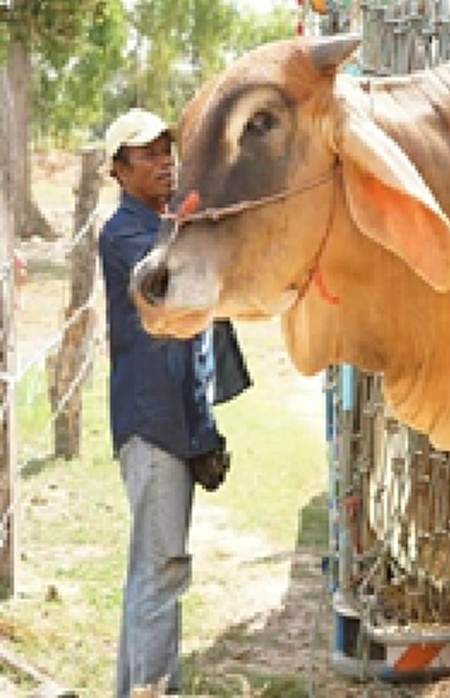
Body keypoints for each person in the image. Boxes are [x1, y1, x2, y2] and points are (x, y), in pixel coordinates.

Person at [98, 107, 240, 696]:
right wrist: (197, 220)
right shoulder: (127, 234)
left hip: (173, 421)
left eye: (166, 149)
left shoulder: (162, 225)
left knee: (148, 573)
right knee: (162, 573)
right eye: (148, 154)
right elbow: (171, 279)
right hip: (152, 424)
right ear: (117, 170)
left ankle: (135, 688)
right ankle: (157, 689)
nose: (164, 161)